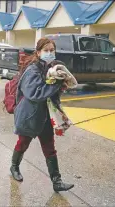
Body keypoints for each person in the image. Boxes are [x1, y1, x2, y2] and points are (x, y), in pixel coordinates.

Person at [10, 37, 74, 192]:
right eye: (46, 50)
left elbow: (50, 92)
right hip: (30, 116)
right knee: (23, 143)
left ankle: (56, 181)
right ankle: (14, 167)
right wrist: (57, 84)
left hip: (45, 116)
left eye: (52, 50)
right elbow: (36, 93)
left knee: (49, 148)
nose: (50, 53)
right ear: (38, 52)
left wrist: (62, 84)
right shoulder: (32, 70)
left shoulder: (51, 68)